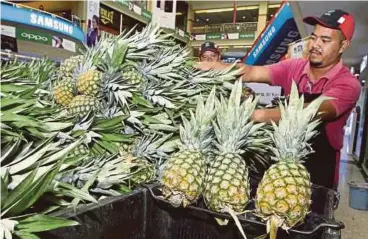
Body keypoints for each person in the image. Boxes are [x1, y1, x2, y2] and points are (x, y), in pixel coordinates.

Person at [195, 9, 362, 190]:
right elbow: (252, 71)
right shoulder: (294, 67)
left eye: (325, 40)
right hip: (280, 169)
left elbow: (314, 110)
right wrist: (212, 66)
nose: (315, 44)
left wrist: (257, 115)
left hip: (319, 177)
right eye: (314, 37)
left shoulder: (348, 84)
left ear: (343, 45)